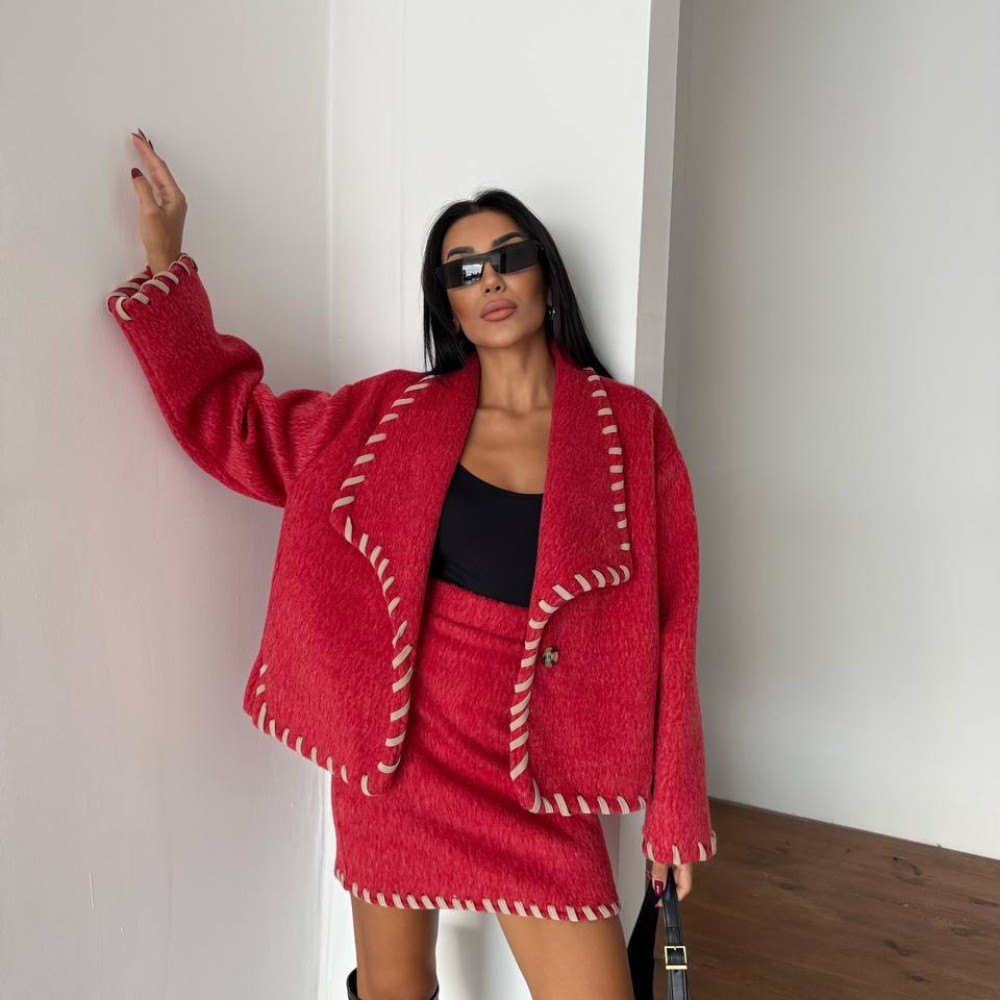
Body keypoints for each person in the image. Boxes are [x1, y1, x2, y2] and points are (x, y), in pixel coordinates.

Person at [109, 129, 716, 1000]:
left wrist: (675, 806)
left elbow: (673, 618)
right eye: (463, 270)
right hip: (398, 754)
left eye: (508, 257)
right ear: (449, 304)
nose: (490, 280)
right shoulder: (389, 417)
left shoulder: (630, 429)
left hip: (541, 775)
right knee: (395, 990)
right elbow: (239, 428)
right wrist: (169, 265)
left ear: (546, 276)